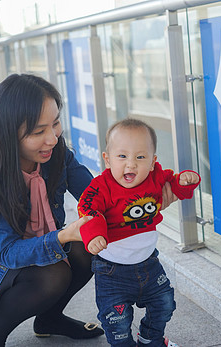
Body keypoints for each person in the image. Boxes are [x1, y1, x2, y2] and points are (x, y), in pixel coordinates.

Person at [0, 75, 178, 347]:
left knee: (90, 246)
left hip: (34, 244)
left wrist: (145, 201)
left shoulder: (56, 152)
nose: (52, 138)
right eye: (37, 132)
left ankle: (50, 319)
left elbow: (101, 197)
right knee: (54, 273)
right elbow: (7, 252)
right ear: (9, 133)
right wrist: (63, 236)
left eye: (55, 123)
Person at [77, 118, 201, 347]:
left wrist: (185, 181)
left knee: (164, 303)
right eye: (122, 156)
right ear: (107, 159)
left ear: (153, 161)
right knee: (117, 321)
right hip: (111, 270)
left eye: (140, 157)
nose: (131, 164)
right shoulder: (101, 186)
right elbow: (88, 207)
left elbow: (174, 186)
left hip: (149, 264)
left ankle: (150, 339)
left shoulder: (155, 177)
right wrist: (94, 234)